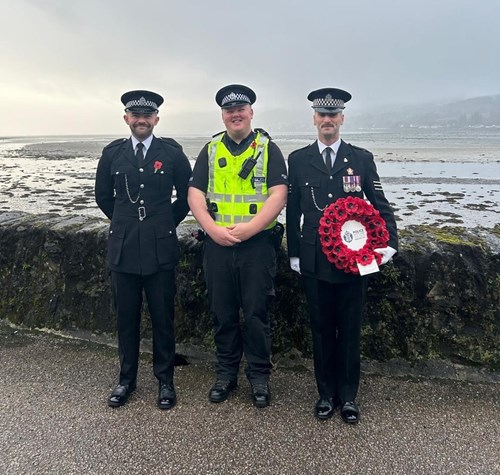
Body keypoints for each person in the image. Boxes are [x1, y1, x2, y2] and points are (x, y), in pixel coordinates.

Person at [286, 88, 398, 423]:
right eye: (322, 115)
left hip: (354, 263)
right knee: (320, 329)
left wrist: (388, 244)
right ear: (314, 119)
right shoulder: (298, 160)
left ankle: (348, 397)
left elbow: (379, 205)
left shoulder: (360, 158)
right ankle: (325, 394)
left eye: (333, 115)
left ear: (342, 119)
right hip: (315, 261)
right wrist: (294, 253)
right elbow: (293, 212)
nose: (327, 120)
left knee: (350, 330)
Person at [188, 84, 288, 408]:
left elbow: (279, 194)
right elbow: (195, 194)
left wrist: (251, 229)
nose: (235, 114)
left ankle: (259, 377)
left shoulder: (268, 149)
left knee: (258, 314)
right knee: (223, 313)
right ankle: (226, 374)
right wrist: (211, 229)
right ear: (223, 115)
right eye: (229, 110)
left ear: (251, 113)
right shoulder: (211, 149)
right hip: (217, 245)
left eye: (240, 109)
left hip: (257, 246)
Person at [95, 90, 192, 409]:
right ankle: (126, 380)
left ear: (156, 119)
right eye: (135, 115)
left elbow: (186, 196)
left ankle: (165, 381)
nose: (141, 120)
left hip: (160, 246)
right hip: (123, 248)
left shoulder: (172, 152)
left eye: (147, 116)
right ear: (126, 119)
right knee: (126, 317)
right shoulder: (112, 153)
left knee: (163, 317)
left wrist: (164, 222)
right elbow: (103, 197)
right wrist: (125, 222)